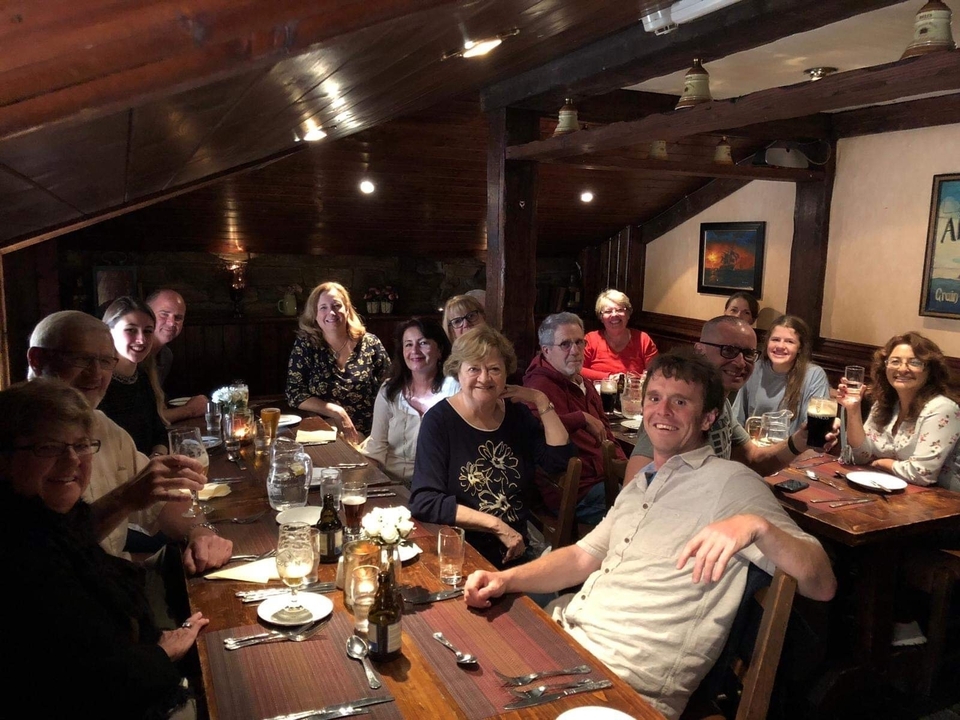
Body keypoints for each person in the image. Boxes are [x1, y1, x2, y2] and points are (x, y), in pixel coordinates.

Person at [464, 352, 836, 719]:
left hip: (625, 683)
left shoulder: (732, 483)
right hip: (567, 639)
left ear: (708, 418)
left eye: (680, 402)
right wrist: (504, 579)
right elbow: (581, 556)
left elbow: (822, 584)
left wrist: (759, 527)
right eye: (655, 398)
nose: (663, 411)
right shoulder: (641, 482)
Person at [2, 378, 209, 719]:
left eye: (81, 446)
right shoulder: (19, 550)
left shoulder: (56, 520)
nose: (72, 462)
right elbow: (82, 680)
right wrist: (161, 653)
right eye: (48, 448)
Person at [27, 310, 232, 573]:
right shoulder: (16, 442)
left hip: (119, 591)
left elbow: (161, 500)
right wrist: (124, 499)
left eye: (105, 361)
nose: (96, 374)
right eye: (82, 359)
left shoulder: (105, 428)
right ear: (37, 359)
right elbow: (40, 552)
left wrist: (201, 533)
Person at [410, 326, 573, 568]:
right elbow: (425, 501)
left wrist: (541, 400)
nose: (485, 379)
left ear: (506, 373)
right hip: (459, 552)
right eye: (474, 369)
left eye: (494, 369)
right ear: (458, 372)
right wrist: (495, 525)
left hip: (517, 552)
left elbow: (558, 460)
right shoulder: (440, 421)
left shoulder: (516, 415)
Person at [625, 315, 815, 484]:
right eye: (729, 350)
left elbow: (753, 460)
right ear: (699, 350)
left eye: (748, 354)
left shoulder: (721, 405)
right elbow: (634, 491)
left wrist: (799, 441)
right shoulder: (678, 414)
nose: (741, 362)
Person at [523, 312, 625, 525]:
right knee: (643, 514)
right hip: (576, 492)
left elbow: (606, 433)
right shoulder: (538, 386)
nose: (576, 351)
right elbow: (535, 425)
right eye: (566, 344)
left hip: (605, 479)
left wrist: (627, 467)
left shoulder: (583, 382)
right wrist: (580, 418)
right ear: (546, 350)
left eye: (579, 342)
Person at [840, 332, 960, 490]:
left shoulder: (942, 409)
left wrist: (884, 463)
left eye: (915, 362)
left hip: (944, 503)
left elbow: (921, 474)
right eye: (895, 361)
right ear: (885, 367)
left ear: (930, 370)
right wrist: (853, 410)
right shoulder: (884, 404)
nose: (903, 369)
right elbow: (861, 456)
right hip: (893, 494)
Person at [286, 281, 389, 444]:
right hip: (324, 435)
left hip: (371, 435)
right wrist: (336, 411)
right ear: (315, 314)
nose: (331, 313)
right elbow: (294, 393)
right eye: (323, 308)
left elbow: (390, 388)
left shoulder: (370, 343)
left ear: (347, 310)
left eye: (336, 306)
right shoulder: (306, 345)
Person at [361, 318, 459, 485]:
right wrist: (366, 484)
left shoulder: (455, 390)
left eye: (423, 343)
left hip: (440, 485)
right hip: (392, 482)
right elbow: (376, 447)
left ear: (440, 350)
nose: (415, 350)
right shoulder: (389, 390)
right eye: (408, 344)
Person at [734, 315, 831, 435]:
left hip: (794, 450)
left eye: (789, 341)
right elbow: (736, 420)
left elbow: (814, 429)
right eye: (775, 339)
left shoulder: (814, 375)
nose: (780, 346)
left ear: (800, 348)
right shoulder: (754, 368)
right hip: (754, 448)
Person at [100, 296, 169, 455]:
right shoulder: (98, 383)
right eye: (131, 330)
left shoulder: (143, 377)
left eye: (148, 331)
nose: (141, 339)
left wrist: (157, 458)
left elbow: (159, 432)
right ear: (109, 332)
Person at [146, 289, 208, 423]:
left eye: (178, 318)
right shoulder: (132, 354)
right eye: (164, 314)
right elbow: (141, 420)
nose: (171, 323)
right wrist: (190, 410)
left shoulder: (166, 355)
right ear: (146, 313)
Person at [582, 289, 658, 381]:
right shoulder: (590, 340)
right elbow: (578, 369)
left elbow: (656, 372)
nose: (614, 315)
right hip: (598, 393)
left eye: (619, 310)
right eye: (608, 311)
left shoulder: (643, 339)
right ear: (601, 318)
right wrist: (609, 378)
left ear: (628, 314)